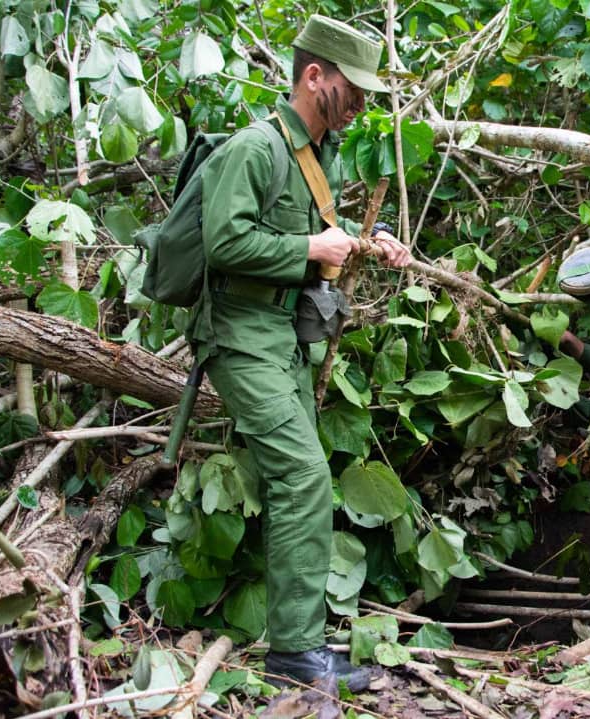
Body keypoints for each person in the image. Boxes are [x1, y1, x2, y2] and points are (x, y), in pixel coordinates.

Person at [185, 16, 410, 690]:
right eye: (354, 90)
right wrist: (312, 249)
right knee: (306, 476)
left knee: (301, 478)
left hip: (282, 338)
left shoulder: (314, 153)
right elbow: (224, 245)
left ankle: (298, 641)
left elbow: (315, 236)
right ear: (315, 78)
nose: (363, 104)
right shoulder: (256, 149)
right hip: (239, 335)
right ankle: (295, 654)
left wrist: (374, 243)